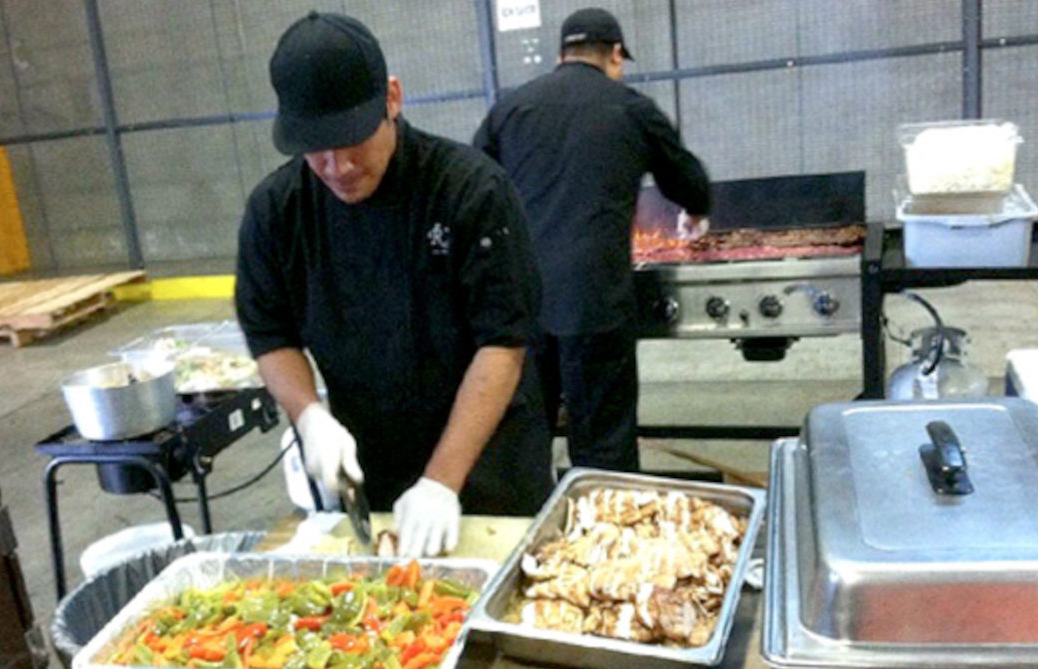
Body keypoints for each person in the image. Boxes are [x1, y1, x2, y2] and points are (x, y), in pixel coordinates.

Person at [236, 11, 552, 556]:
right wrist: (309, 415)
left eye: (352, 139)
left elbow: (503, 345)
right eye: (316, 147)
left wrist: (442, 481)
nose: (337, 166)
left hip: (487, 468)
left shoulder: (469, 191)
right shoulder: (276, 211)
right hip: (374, 471)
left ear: (392, 99)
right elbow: (271, 333)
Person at [474, 7, 711, 472]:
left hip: (521, 307)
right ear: (616, 54)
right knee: (603, 447)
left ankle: (526, 530)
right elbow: (688, 181)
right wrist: (695, 213)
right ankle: (604, 527)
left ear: (561, 54)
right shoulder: (632, 108)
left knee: (522, 439)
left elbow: (474, 185)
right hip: (596, 304)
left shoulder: (510, 107)